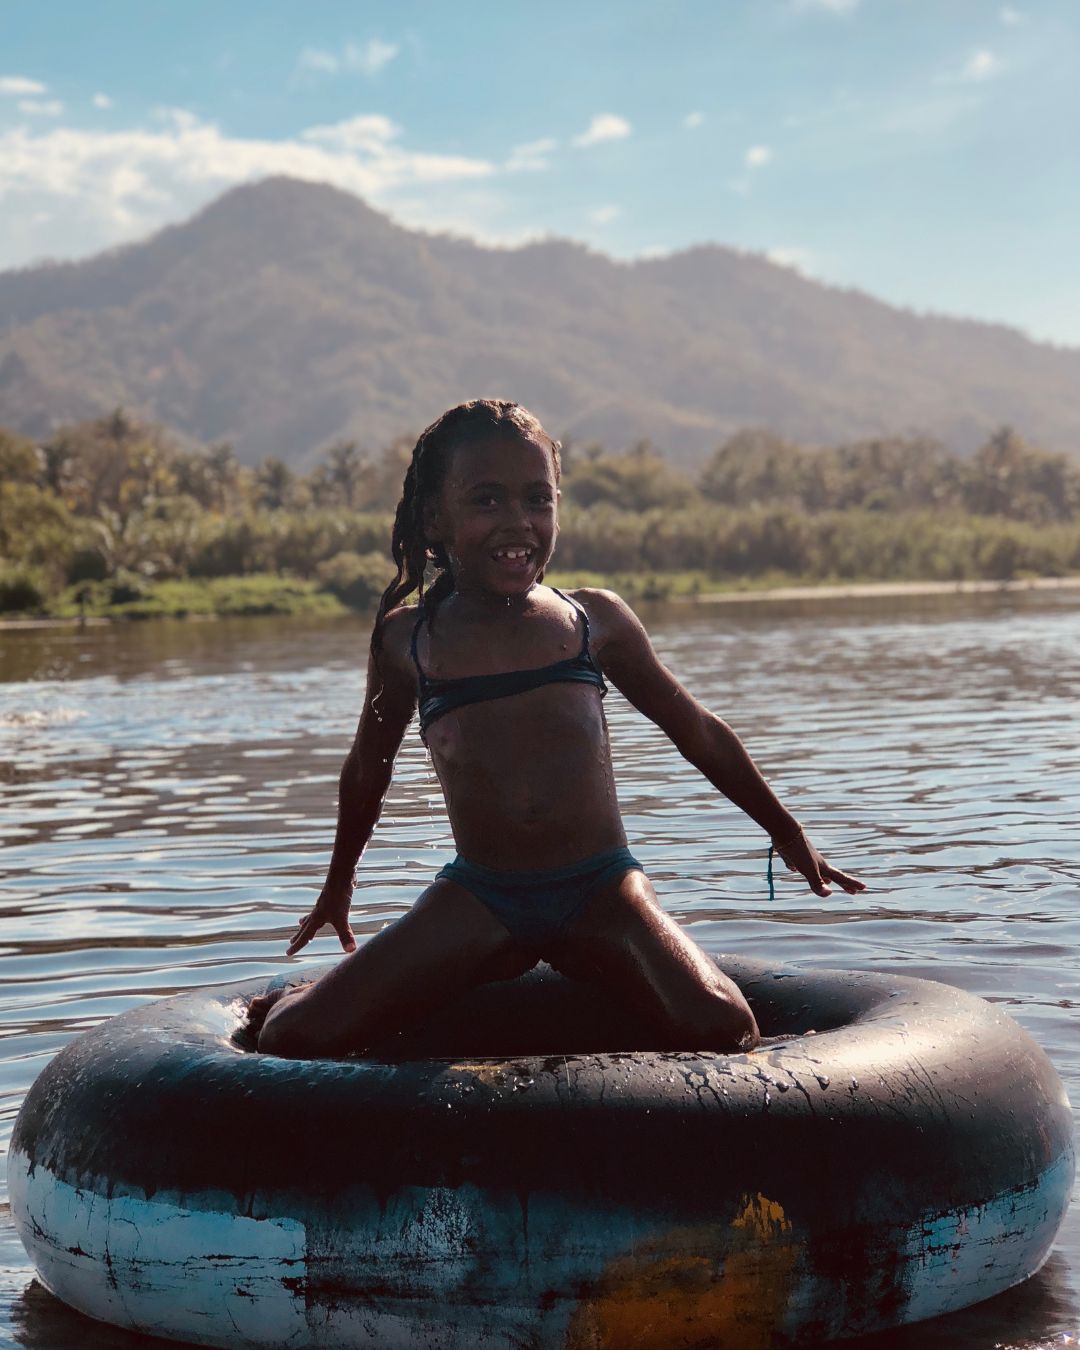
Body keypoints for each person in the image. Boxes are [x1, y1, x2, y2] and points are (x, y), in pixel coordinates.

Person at [250, 399, 864, 1058]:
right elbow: (368, 768)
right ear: (434, 519)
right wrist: (339, 882)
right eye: (487, 500)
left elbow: (698, 732)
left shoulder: (594, 621)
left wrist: (784, 829)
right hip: (482, 895)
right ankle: (311, 992)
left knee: (725, 1026)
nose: (518, 521)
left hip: (602, 890)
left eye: (537, 500)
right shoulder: (408, 642)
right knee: (293, 1034)